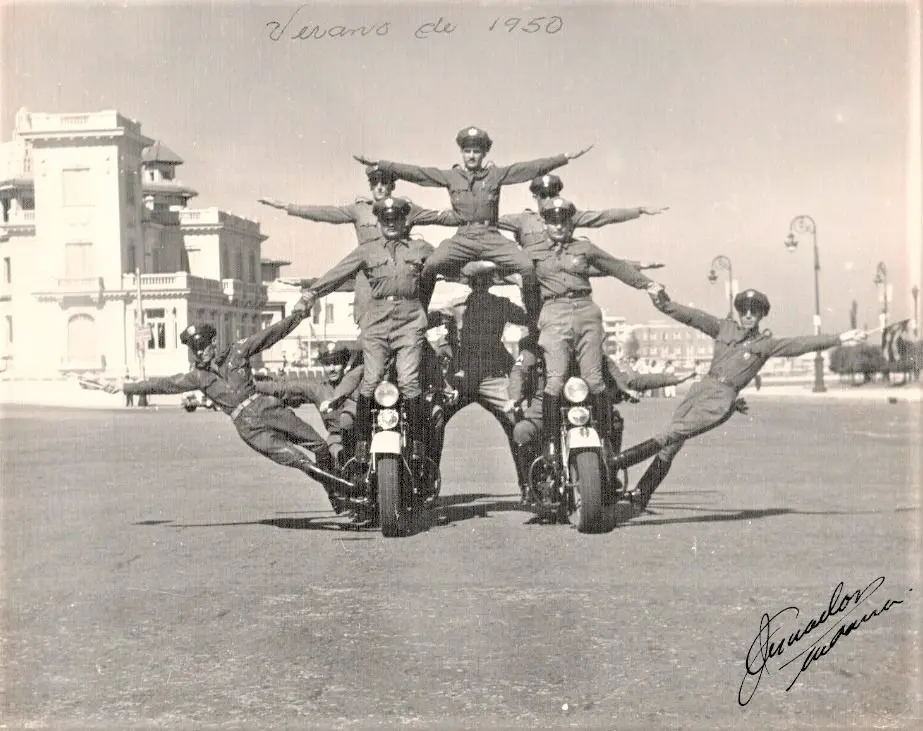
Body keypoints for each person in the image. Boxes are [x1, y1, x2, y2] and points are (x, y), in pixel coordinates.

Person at [610, 287, 867, 512]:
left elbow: (798, 344)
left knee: (672, 433)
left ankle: (614, 465)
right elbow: (690, 316)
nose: (747, 315)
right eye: (743, 309)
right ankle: (641, 496)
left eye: (753, 312)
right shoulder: (724, 328)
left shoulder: (765, 344)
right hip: (700, 390)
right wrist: (661, 300)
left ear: (761, 316)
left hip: (720, 399)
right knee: (671, 445)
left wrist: (839, 338)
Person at [107, 309, 356, 514]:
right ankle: (343, 495)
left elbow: (271, 334)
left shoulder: (238, 352)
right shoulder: (198, 376)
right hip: (248, 427)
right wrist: (123, 386)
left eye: (203, 346)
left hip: (269, 409)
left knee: (320, 447)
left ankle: (337, 495)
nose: (200, 352)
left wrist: (298, 315)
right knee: (298, 461)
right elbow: (163, 384)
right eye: (195, 348)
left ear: (213, 343)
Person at [353, 126, 594, 320]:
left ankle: (535, 318)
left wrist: (564, 158)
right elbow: (418, 173)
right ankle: (420, 315)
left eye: (476, 151)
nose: (471, 156)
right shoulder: (451, 176)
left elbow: (529, 168)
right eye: (467, 151)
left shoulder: (495, 175)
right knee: (431, 264)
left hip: (491, 236)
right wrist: (383, 165)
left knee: (526, 266)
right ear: (462, 153)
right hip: (463, 238)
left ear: (484, 154)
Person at [299, 197, 436, 465]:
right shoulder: (367, 251)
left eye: (396, 218)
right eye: (386, 219)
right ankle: (362, 443)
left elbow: (450, 265)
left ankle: (418, 443)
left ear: (405, 220)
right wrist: (312, 292)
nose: (392, 224)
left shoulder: (421, 248)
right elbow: (339, 273)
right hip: (376, 324)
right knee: (371, 381)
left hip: (409, 323)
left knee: (409, 382)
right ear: (379, 222)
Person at [529, 197, 663, 463]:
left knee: (594, 379)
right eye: (553, 221)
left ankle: (605, 444)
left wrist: (647, 284)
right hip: (554, 313)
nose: (559, 226)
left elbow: (615, 266)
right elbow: (504, 265)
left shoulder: (585, 247)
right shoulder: (531, 251)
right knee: (555, 380)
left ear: (571, 223)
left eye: (564, 221)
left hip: (586, 311)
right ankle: (552, 446)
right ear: (544, 224)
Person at [258, 167, 460, 323]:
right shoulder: (360, 210)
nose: (379, 187)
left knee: (412, 321)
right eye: (374, 183)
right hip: (368, 273)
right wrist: (288, 207)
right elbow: (327, 214)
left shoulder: (407, 209)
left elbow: (441, 218)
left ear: (392, 186)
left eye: (384, 182)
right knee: (367, 323)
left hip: (401, 272)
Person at [508, 337, 691, 503]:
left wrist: (672, 379)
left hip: (584, 410)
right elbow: (518, 372)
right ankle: (530, 487)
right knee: (522, 431)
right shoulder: (536, 348)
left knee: (614, 420)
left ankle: (609, 472)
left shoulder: (592, 351)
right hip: (544, 411)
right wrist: (514, 397)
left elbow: (627, 379)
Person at [430, 260, 533, 492]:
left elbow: (529, 317)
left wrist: (520, 282)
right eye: (475, 282)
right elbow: (427, 322)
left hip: (490, 375)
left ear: (489, 283)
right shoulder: (455, 307)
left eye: (483, 281)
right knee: (434, 420)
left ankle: (529, 482)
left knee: (516, 421)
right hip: (462, 377)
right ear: (469, 284)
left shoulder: (498, 304)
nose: (479, 286)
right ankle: (426, 482)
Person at [498, 173, 669, 256]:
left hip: (564, 274)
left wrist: (638, 210)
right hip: (534, 278)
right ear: (535, 197)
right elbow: (485, 221)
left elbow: (602, 217)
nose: (548, 199)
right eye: (544, 195)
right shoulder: (522, 220)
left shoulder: (569, 216)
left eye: (553, 194)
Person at [255, 344, 364, 467]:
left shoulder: (359, 384)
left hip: (363, 438)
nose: (332, 368)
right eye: (327, 364)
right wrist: (254, 386)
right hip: (338, 439)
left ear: (345, 363)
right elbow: (285, 388)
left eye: (336, 362)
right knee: (331, 462)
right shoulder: (317, 389)